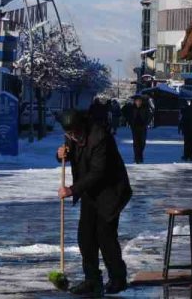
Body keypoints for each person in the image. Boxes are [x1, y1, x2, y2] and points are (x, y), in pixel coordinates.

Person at [57, 109, 132, 296]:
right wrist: (61, 155)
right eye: (69, 134)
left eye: (75, 133)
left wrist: (72, 189)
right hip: (90, 193)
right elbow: (71, 155)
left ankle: (118, 279)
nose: (73, 137)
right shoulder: (71, 135)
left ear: (82, 125)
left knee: (105, 237)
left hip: (111, 191)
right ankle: (92, 280)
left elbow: (99, 172)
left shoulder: (100, 137)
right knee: (85, 237)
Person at [124, 95, 152, 164]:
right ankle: (137, 158)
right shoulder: (132, 108)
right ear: (135, 102)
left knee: (142, 143)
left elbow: (150, 115)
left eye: (140, 101)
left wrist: (146, 123)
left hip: (143, 127)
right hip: (134, 127)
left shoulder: (145, 108)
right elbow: (125, 112)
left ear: (141, 102)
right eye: (137, 101)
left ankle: (140, 155)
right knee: (136, 143)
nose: (138, 102)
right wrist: (129, 122)